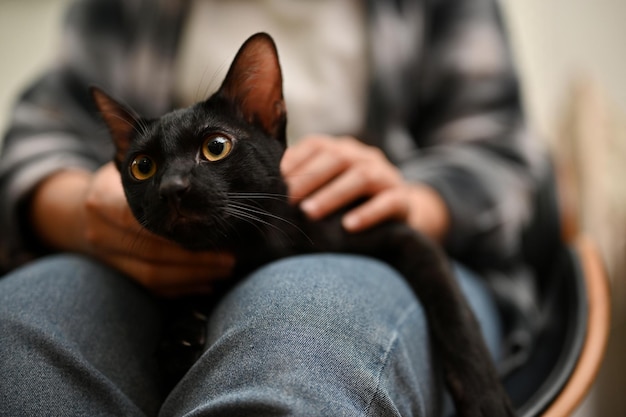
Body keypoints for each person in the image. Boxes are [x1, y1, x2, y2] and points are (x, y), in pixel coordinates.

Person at [0, 0, 547, 415]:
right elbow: (44, 130)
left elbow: (506, 159)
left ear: (269, 115)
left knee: (294, 336)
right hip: (137, 261)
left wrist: (409, 200)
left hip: (348, 234)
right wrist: (73, 209)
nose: (171, 184)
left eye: (214, 148)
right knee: (16, 331)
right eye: (143, 166)